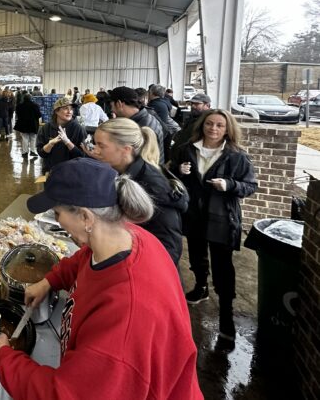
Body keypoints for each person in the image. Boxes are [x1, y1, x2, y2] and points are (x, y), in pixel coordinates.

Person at [0, 158, 203, 399]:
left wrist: (3, 355)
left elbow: (63, 395)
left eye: (57, 213)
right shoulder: (126, 237)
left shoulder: (126, 315)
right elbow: (84, 258)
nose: (57, 219)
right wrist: (49, 280)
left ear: (85, 217)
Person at [170, 109, 256, 341]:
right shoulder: (186, 149)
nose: (214, 129)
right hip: (194, 215)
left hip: (221, 218)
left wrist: (229, 184)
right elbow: (169, 175)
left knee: (223, 265)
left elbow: (249, 186)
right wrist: (178, 171)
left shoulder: (236, 156)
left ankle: (226, 313)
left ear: (228, 129)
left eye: (219, 125)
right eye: (209, 124)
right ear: (202, 125)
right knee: (197, 255)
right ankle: (200, 286)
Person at [93, 118, 188, 266]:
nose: (95, 150)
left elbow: (169, 248)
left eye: (101, 145)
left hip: (146, 271)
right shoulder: (120, 173)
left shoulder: (151, 186)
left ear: (126, 149)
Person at [109, 86, 165, 164]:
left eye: (111, 106)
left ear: (119, 104)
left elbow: (142, 161)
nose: (112, 110)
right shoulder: (142, 118)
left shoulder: (144, 127)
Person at [36, 97, 86, 174]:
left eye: (71, 109)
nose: (69, 111)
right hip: (51, 172)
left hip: (72, 173)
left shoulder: (78, 129)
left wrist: (67, 142)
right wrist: (50, 144)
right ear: (56, 111)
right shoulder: (45, 128)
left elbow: (82, 156)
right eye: (65, 108)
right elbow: (41, 153)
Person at [14, 91, 41, 159]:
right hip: (33, 124)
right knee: (33, 138)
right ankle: (32, 151)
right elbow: (39, 115)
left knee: (25, 138)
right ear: (31, 98)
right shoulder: (35, 105)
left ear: (24, 98)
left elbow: (18, 114)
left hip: (23, 124)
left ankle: (24, 152)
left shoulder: (19, 106)